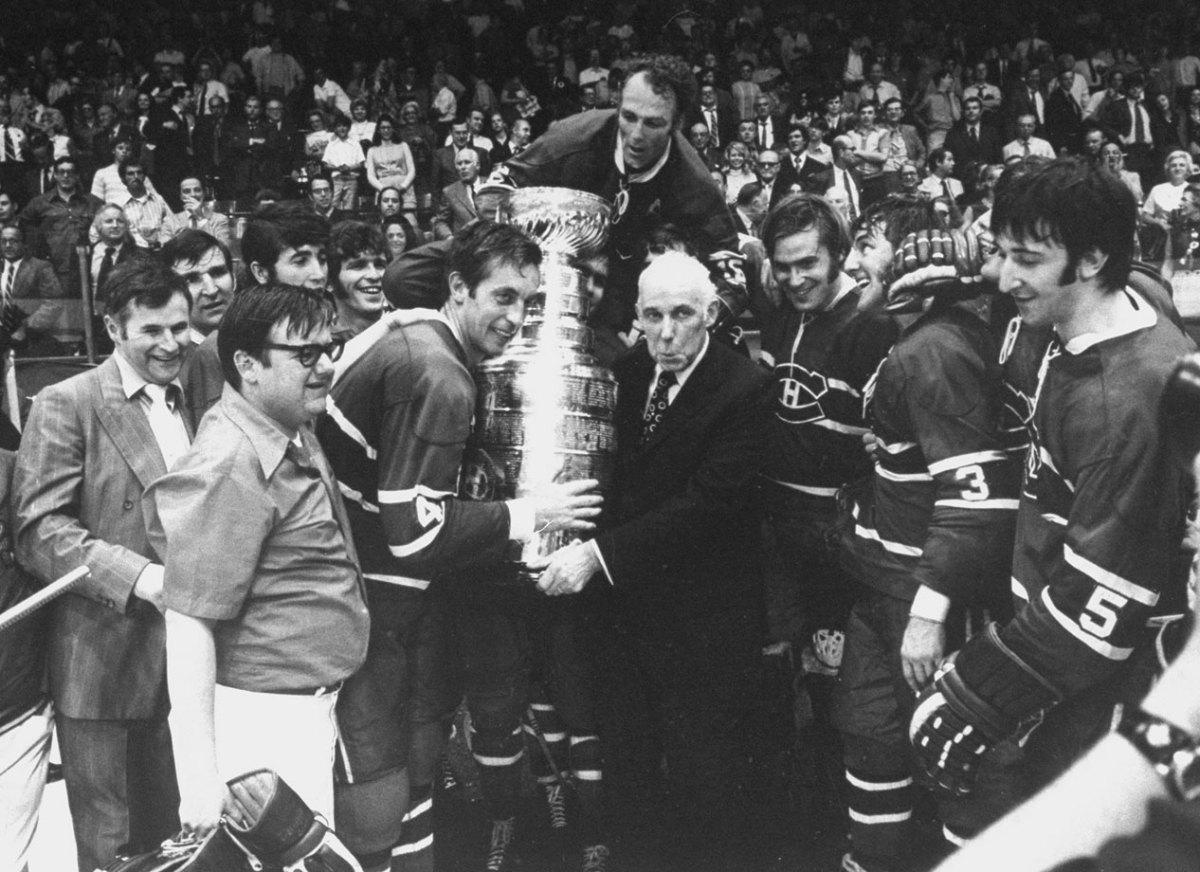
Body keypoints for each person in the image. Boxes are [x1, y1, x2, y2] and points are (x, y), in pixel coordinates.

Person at [909, 158, 1196, 857]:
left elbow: (1104, 602)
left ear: (1092, 260)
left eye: (1028, 260)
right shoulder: (1111, 302)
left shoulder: (1125, 404)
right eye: (1002, 252)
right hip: (1063, 640)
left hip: (1105, 676)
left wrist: (980, 691)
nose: (1004, 277)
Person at [316, 221, 601, 872]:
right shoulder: (440, 374)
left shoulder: (413, 326)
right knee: (383, 780)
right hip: (370, 598)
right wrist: (530, 513)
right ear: (457, 287)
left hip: (349, 582)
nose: (517, 317)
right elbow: (414, 535)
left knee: (396, 770)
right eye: (503, 296)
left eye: (529, 301)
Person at [536, 250, 770, 872]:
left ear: (712, 314)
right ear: (636, 315)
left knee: (704, 776)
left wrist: (598, 556)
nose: (666, 333)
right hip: (627, 617)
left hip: (705, 621)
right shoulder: (627, 372)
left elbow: (708, 504)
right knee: (628, 766)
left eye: (683, 315)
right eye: (654, 316)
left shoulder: (743, 388)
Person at [833, 197, 1021, 871]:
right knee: (873, 738)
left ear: (915, 254)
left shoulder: (934, 350)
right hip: (886, 583)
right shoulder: (922, 340)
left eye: (870, 243)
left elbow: (978, 495)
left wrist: (929, 610)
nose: (855, 259)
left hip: (924, 595)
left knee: (957, 757)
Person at [145, 283, 368, 834]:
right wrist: (200, 777)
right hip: (262, 725)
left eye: (329, 348)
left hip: (300, 712)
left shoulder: (285, 425)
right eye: (305, 354)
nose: (325, 367)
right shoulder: (230, 459)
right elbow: (188, 619)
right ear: (247, 364)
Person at [13, 257, 194, 871]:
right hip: (103, 663)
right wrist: (140, 578)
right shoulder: (68, 402)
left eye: (179, 328)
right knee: (113, 851)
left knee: (183, 840)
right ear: (113, 328)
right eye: (152, 331)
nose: (170, 344)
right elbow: (39, 531)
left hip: (191, 659)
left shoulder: (196, 398)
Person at [484, 53, 746, 348]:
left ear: (677, 123)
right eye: (628, 117)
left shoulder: (694, 183)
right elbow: (495, 191)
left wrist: (669, 327)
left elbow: (733, 282)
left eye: (653, 123)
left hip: (630, 301)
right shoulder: (574, 137)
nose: (636, 136)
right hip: (550, 278)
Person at [181, 202, 329, 429]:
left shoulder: (324, 331)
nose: (318, 274)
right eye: (300, 261)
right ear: (261, 272)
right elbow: (218, 435)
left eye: (322, 259)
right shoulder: (218, 348)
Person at [328, 220, 389, 340]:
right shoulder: (318, 341)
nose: (374, 275)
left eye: (380, 265)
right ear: (330, 281)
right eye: (358, 266)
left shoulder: (407, 329)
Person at [366, 115, 417, 227]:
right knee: (387, 224)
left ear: (393, 129)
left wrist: (403, 186)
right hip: (383, 188)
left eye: (389, 127)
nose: (386, 130)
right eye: (383, 128)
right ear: (378, 130)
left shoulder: (403, 145)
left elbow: (412, 170)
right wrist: (383, 189)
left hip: (404, 189)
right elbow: (370, 175)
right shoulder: (372, 150)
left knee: (410, 223)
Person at [164, 176, 231, 246]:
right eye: (187, 191)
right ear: (181, 196)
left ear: (204, 193)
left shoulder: (220, 219)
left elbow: (224, 248)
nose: (193, 194)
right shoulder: (170, 221)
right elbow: (164, 249)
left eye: (197, 190)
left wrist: (201, 218)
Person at [432, 147, 482, 240]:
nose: (463, 167)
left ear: (477, 165)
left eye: (467, 162)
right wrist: (449, 237)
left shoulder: (491, 184)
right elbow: (440, 222)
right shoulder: (450, 192)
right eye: (459, 164)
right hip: (464, 243)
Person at [324, 113, 367, 212]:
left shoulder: (355, 144)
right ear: (335, 129)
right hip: (336, 180)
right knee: (333, 206)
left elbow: (361, 163)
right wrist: (338, 168)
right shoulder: (331, 145)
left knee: (349, 206)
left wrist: (349, 168)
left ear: (349, 128)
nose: (342, 129)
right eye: (339, 126)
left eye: (344, 126)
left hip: (351, 179)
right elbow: (326, 164)